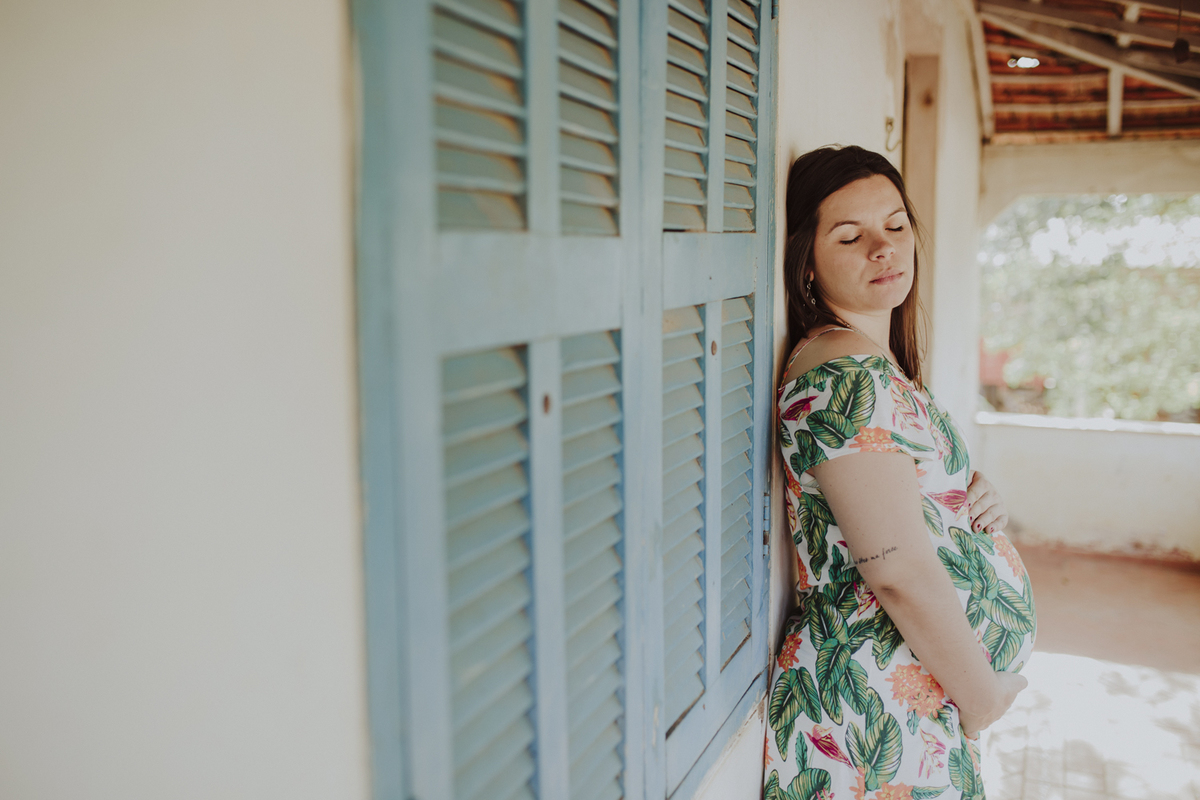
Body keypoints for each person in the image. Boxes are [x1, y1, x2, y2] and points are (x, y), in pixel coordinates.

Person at [764, 145, 1036, 800]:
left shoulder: (870, 363)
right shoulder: (840, 374)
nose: (884, 248)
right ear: (806, 266)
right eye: (851, 236)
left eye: (895, 225)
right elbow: (897, 569)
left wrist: (967, 501)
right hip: (878, 704)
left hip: (910, 693)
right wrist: (983, 697)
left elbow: (895, 503)